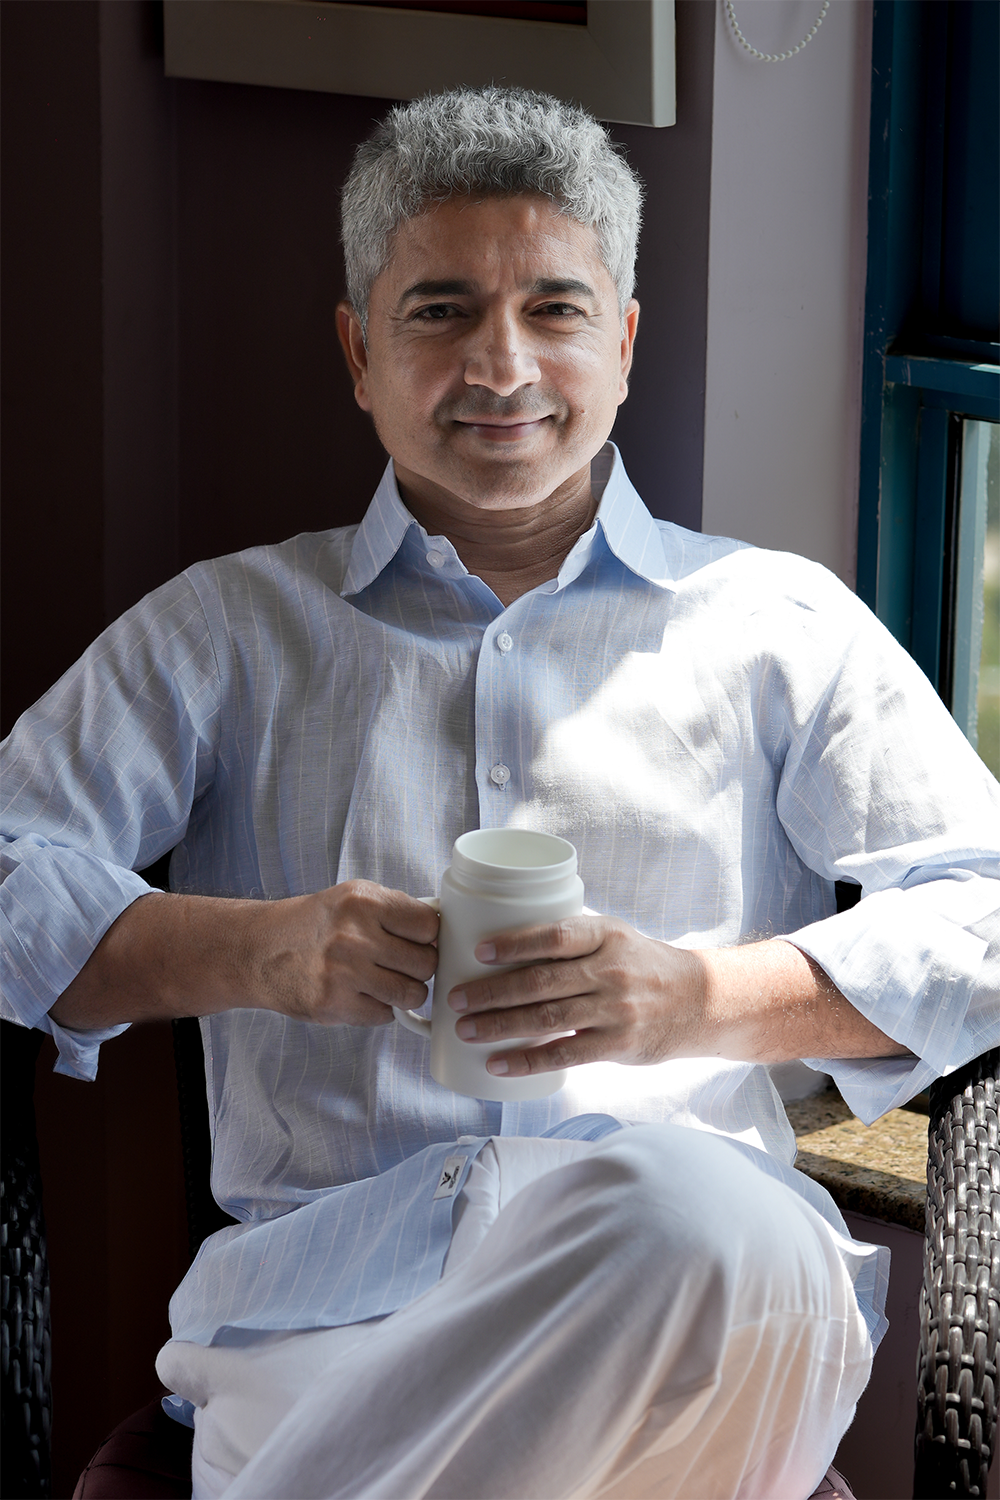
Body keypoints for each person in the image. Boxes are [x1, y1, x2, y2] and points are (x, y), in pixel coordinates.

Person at [2, 86, 997, 1500]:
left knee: (693, 1223)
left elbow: (989, 908)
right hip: (328, 1316)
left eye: (555, 308)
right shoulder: (228, 631)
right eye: (439, 311)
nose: (502, 363)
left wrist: (701, 1001)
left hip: (714, 1296)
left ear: (627, 341)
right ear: (357, 350)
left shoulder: (780, 625)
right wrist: (254, 951)